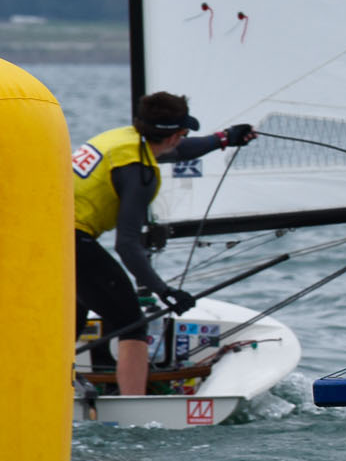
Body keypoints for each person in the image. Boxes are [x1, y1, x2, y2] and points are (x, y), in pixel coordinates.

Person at [72, 91, 257, 396]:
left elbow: (178, 151)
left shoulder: (124, 140)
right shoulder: (139, 174)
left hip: (39, 234)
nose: (182, 141)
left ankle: (51, 383)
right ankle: (134, 408)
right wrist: (165, 290)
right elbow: (127, 244)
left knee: (74, 310)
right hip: (69, 239)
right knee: (131, 323)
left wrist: (224, 139)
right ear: (173, 136)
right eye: (182, 133)